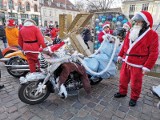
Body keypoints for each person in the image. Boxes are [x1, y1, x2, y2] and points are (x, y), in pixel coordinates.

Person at [114, 11, 159, 107]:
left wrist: (147, 66)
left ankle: (134, 98)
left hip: (138, 65)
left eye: (139, 21)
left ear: (145, 23)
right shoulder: (131, 32)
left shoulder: (152, 35)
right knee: (122, 79)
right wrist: (120, 55)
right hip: (126, 62)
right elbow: (124, 46)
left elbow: (154, 53)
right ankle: (122, 92)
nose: (136, 23)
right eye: (136, 21)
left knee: (135, 84)